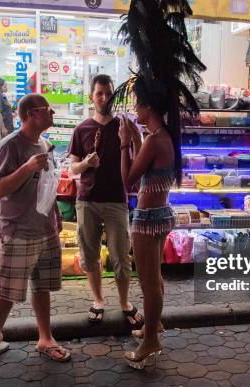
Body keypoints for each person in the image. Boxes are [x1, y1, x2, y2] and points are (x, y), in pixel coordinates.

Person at [111, 0, 206, 369]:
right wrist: (135, 137)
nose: (134, 108)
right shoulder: (161, 136)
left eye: (137, 104)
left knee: (149, 282)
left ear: (149, 106)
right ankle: (156, 324)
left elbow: (128, 179)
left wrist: (123, 140)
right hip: (160, 213)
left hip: (149, 218)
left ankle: (150, 340)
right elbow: (146, 168)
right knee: (156, 277)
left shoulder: (154, 139)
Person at [0, 94, 70, 366]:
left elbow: (47, 185)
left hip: (44, 228)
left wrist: (56, 215)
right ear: (28, 114)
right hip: (16, 229)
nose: (52, 113)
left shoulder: (46, 145)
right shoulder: (10, 146)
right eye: (46, 110)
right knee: (7, 289)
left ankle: (45, 337)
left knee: (42, 286)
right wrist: (27, 168)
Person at [68, 74, 143, 327]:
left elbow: (136, 159)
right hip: (87, 200)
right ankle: (98, 300)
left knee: (121, 255)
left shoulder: (123, 125)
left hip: (116, 200)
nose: (104, 98)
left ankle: (124, 302)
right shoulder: (82, 129)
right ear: (92, 97)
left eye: (108, 93)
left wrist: (133, 137)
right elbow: (72, 170)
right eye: (99, 93)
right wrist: (86, 163)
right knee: (90, 255)